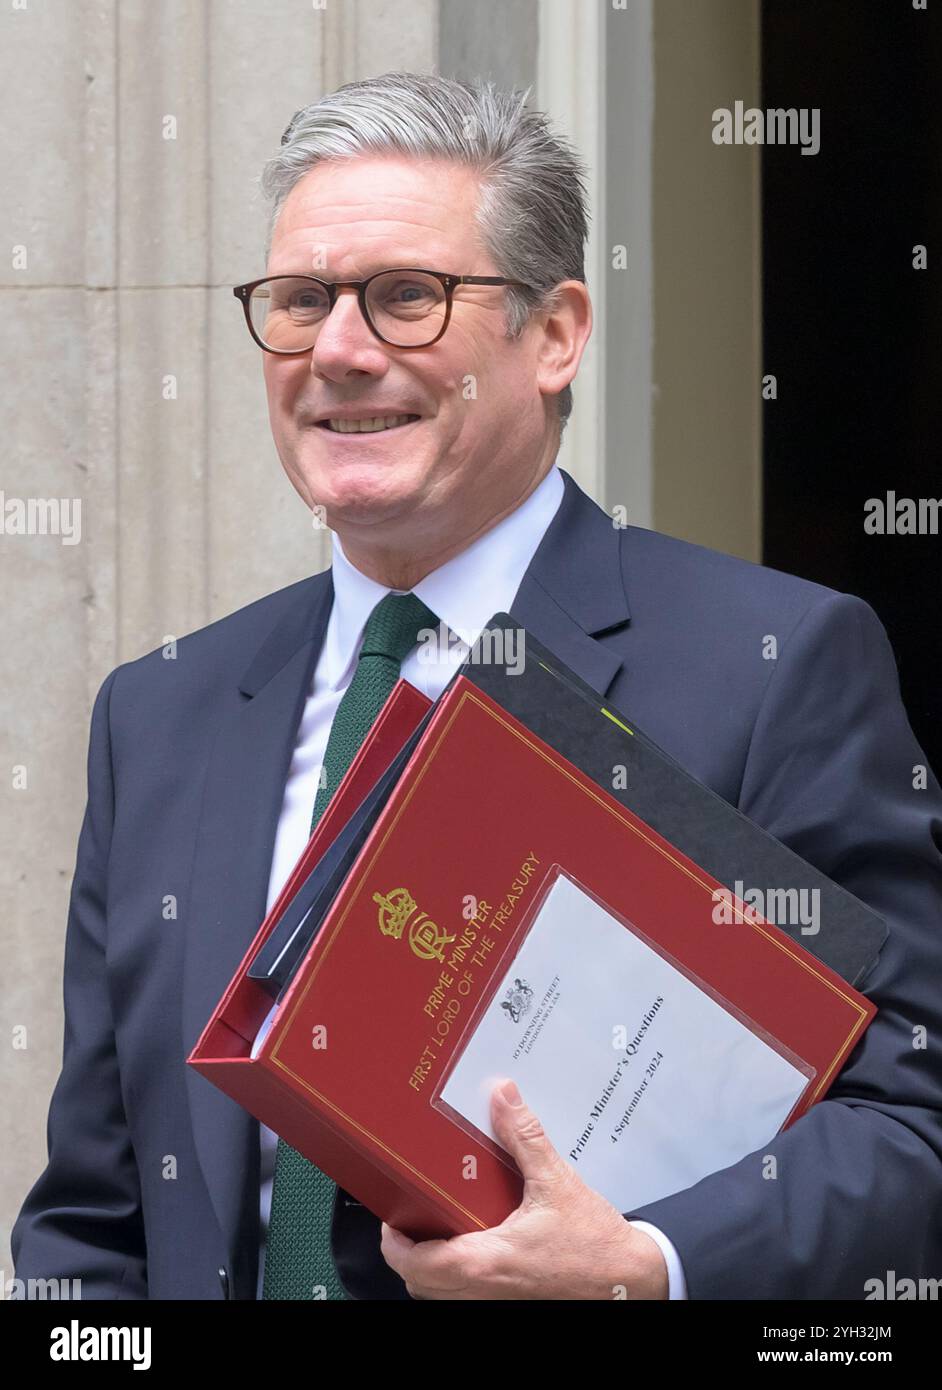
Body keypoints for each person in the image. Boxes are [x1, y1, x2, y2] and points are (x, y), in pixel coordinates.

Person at [12, 71, 942, 1301]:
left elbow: (907, 1121)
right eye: (299, 301)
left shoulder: (772, 669)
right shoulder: (162, 711)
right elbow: (97, 1213)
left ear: (553, 335)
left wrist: (646, 1267)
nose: (337, 351)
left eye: (407, 296)